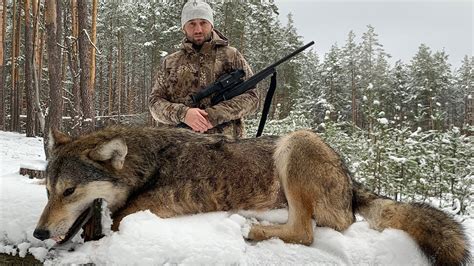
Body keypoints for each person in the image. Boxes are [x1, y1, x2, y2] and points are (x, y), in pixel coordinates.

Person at [148, 0, 259, 138]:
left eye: (203, 23)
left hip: (228, 148)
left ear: (211, 24)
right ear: (184, 28)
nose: (198, 30)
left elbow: (252, 97)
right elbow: (155, 103)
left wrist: (215, 115)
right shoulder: (170, 62)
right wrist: (183, 114)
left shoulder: (231, 56)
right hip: (181, 148)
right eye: (192, 23)